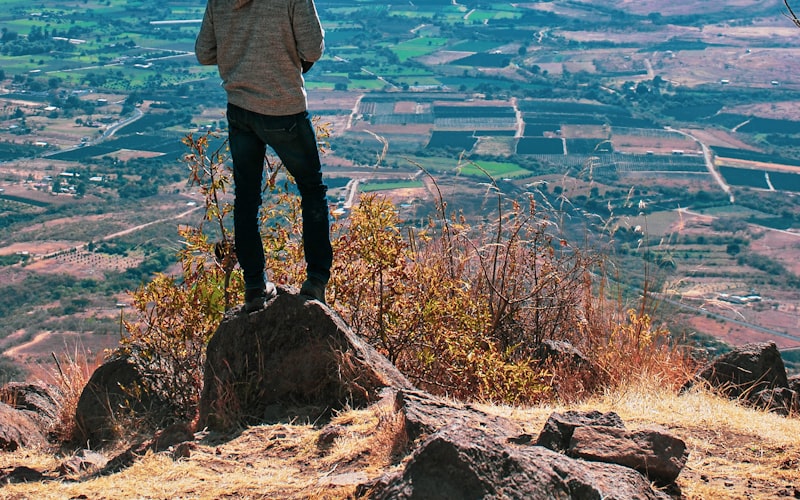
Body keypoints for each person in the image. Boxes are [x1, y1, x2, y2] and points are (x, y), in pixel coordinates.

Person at [195, 0, 332, 311]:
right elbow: (313, 49)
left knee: (246, 198)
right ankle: (315, 281)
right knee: (312, 190)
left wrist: (239, 51)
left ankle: (255, 285)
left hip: (241, 109)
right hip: (284, 109)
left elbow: (204, 52)